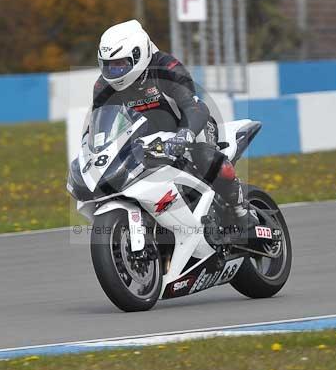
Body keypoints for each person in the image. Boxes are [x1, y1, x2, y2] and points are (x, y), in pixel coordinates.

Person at [91, 19, 258, 236]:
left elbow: (194, 107)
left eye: (120, 64)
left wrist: (184, 136)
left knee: (205, 157)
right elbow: (99, 127)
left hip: (190, 126)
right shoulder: (103, 86)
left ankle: (240, 210)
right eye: (108, 65)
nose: (113, 71)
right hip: (145, 141)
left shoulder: (166, 68)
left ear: (137, 55)